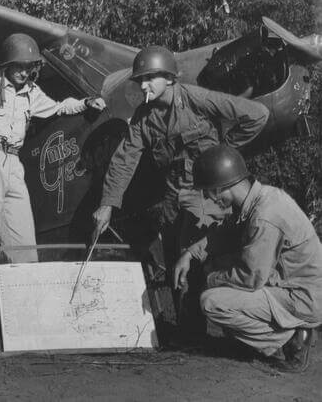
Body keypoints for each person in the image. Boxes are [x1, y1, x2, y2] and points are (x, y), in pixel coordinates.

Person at [93, 45, 270, 276]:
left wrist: (224, 149)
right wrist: (107, 204)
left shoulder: (195, 98)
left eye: (149, 78)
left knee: (201, 265)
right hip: (172, 198)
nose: (143, 86)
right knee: (174, 267)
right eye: (140, 80)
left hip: (206, 194)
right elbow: (124, 159)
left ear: (169, 78)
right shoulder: (143, 118)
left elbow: (257, 115)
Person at [0, 33, 106, 269]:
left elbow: (58, 108)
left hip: (14, 164)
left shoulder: (32, 92)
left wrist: (86, 102)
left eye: (29, 67)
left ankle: (24, 279)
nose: (24, 72)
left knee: (24, 236)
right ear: (8, 63)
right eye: (19, 66)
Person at [174, 145, 322, 372]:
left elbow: (250, 278)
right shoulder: (261, 197)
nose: (209, 199)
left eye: (209, 192)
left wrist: (210, 276)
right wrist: (191, 253)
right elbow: (225, 233)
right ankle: (270, 336)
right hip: (293, 287)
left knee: (212, 301)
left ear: (220, 188)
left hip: (302, 297)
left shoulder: (264, 216)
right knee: (224, 282)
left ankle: (292, 338)